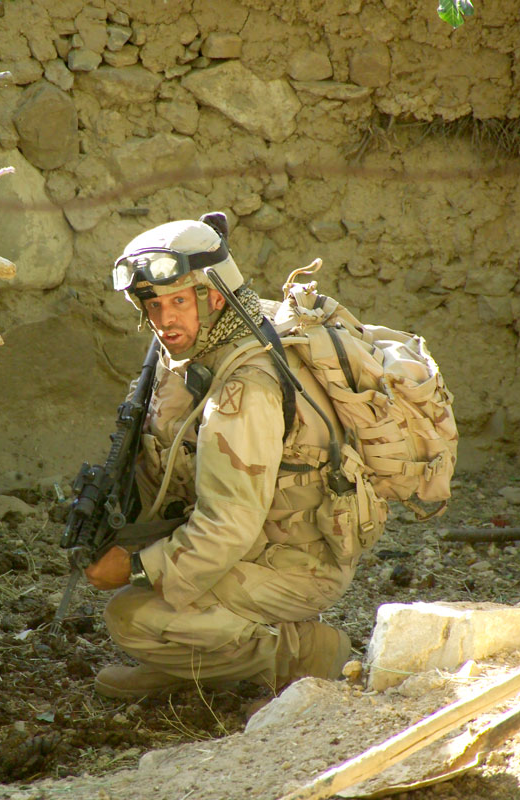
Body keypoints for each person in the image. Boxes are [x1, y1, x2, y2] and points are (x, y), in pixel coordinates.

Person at [84, 212, 374, 700]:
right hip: (263, 538)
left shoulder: (244, 388)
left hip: (297, 561)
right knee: (152, 601)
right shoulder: (213, 342)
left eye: (179, 301)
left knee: (131, 616)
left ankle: (304, 654)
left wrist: (137, 567)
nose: (163, 319)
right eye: (152, 304)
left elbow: (227, 526)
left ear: (215, 297)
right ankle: (191, 667)